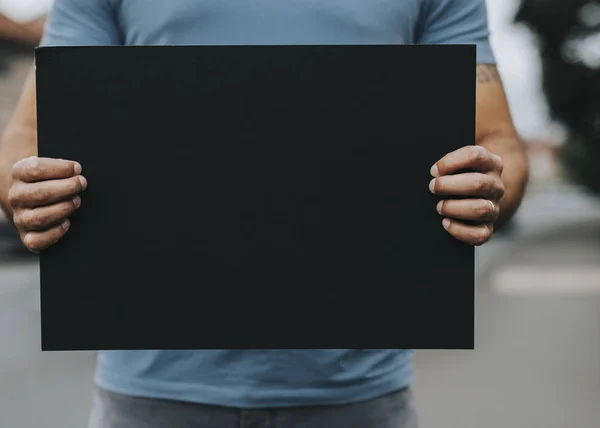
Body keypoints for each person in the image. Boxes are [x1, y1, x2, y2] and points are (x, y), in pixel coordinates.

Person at [0, 0, 529, 427]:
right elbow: (28, 133)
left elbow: (495, 139)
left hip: (360, 391)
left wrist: (485, 190)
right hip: (149, 393)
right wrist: (22, 188)